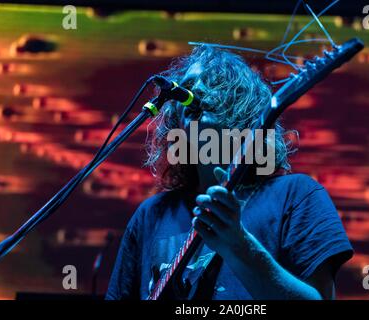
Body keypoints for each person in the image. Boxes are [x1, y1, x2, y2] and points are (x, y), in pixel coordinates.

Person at [106, 45, 353, 300]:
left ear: (241, 102)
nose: (194, 89)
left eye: (212, 82)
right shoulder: (151, 215)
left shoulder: (296, 196)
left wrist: (241, 247)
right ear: (176, 122)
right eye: (188, 83)